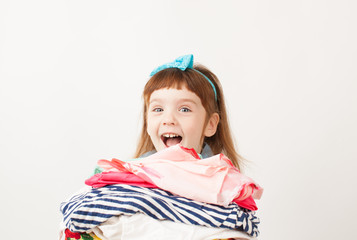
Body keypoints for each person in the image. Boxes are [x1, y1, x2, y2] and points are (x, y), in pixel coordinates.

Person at [60, 54, 262, 240]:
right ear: (148, 122)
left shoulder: (224, 185)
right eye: (158, 109)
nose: (168, 119)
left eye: (184, 109)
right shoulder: (124, 179)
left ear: (210, 124)